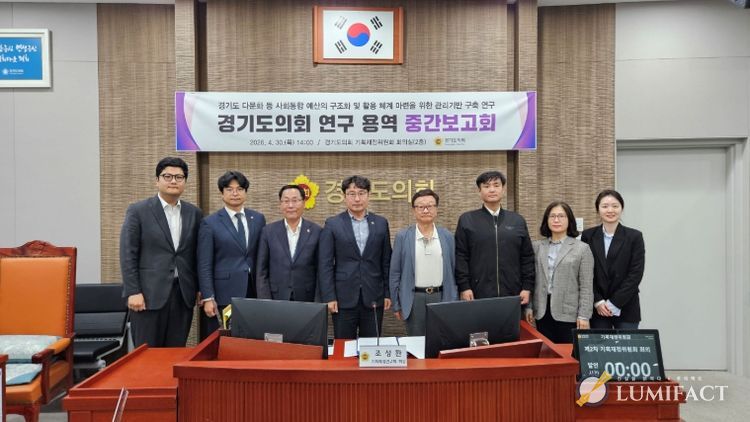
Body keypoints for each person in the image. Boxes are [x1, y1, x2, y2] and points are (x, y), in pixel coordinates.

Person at [120, 157, 203, 347]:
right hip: (148, 295)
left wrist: (199, 288)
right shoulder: (138, 211)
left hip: (182, 294)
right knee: (147, 353)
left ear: (185, 182)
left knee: (176, 351)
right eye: (167, 176)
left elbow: (196, 255)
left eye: (179, 177)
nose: (173, 181)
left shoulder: (194, 213)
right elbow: (128, 254)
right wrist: (133, 291)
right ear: (157, 180)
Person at [318, 175, 392, 339]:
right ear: (344, 196)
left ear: (368, 195)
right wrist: (329, 296)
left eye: (361, 193)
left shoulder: (381, 223)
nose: (357, 199)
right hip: (343, 298)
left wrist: (388, 293)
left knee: (371, 346)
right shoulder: (333, 224)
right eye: (352, 194)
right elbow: (325, 264)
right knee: (344, 346)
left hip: (374, 295)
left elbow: (386, 261)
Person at [196, 170, 265, 338]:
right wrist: (208, 296)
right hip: (225, 292)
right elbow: (204, 263)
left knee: (253, 337)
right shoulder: (210, 223)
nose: (235, 193)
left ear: (245, 192)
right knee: (229, 337)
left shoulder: (258, 219)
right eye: (229, 189)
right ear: (222, 193)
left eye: (240, 189)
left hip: (254, 290)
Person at [454, 170, 535, 305]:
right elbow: (461, 256)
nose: (492, 190)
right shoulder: (467, 220)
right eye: (486, 186)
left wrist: (527, 287)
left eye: (496, 185)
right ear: (479, 191)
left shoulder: (517, 220)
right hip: (477, 293)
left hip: (513, 292)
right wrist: (464, 286)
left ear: (503, 189)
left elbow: (527, 257)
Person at [389, 189, 458, 336]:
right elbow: (395, 272)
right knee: (416, 341)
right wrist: (396, 303)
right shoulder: (403, 236)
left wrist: (454, 297)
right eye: (420, 206)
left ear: (436, 209)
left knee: (442, 339)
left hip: (441, 296)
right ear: (414, 210)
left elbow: (453, 270)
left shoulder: (447, 236)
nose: (425, 210)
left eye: (430, 206)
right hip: (414, 298)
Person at [525, 201, 594, 343]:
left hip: (569, 314)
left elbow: (586, 286)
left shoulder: (582, 249)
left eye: (561, 216)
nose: (556, 220)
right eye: (552, 216)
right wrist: (529, 307)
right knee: (545, 354)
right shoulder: (537, 247)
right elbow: (531, 279)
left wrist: (584, 315)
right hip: (541, 312)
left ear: (569, 220)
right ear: (547, 220)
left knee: (568, 354)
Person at [581, 189, 645, 329]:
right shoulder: (588, 236)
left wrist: (614, 303)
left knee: (626, 344)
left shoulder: (634, 236)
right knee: (599, 343)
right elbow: (585, 273)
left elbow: (635, 274)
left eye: (615, 206)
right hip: (597, 308)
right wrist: (598, 301)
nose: (610, 210)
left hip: (626, 306)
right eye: (605, 206)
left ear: (622, 208)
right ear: (598, 210)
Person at [256, 184, 321, 302]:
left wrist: (318, 302)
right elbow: (261, 271)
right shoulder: (268, 232)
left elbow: (321, 270)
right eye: (286, 201)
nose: (290, 205)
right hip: (276, 296)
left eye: (295, 201)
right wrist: (265, 301)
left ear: (304, 203)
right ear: (280, 204)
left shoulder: (317, 231)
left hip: (307, 297)